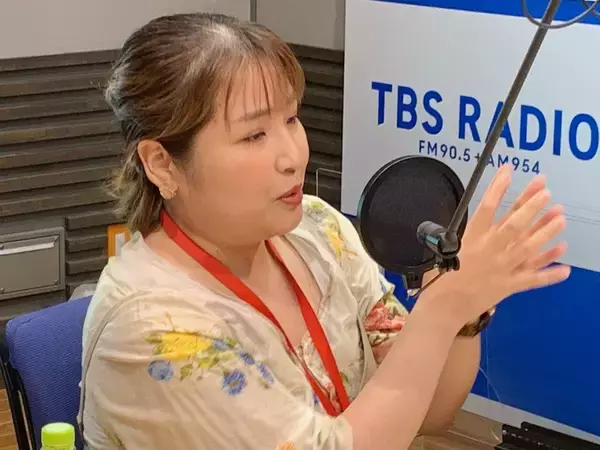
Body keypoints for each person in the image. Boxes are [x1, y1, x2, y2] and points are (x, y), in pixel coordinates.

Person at [77, 12, 570, 450]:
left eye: (292, 119)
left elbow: (426, 412)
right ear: (162, 163)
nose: (294, 155)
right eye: (254, 135)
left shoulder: (317, 228)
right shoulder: (151, 330)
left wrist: (463, 308)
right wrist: (439, 312)